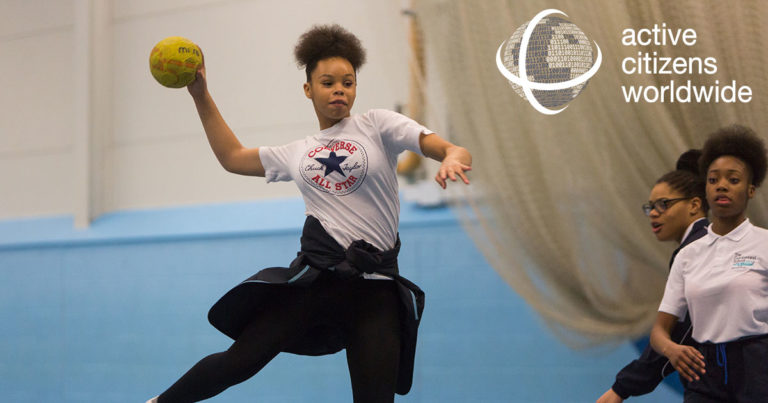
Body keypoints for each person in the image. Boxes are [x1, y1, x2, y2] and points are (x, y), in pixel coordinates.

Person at [147, 24, 471, 403]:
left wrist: (451, 158)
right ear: (308, 89)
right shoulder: (298, 150)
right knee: (241, 359)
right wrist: (200, 94)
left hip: (376, 291)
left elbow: (452, 149)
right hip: (316, 282)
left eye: (347, 83)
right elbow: (232, 158)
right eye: (328, 82)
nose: (339, 89)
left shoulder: (377, 125)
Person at [650, 125, 768, 402]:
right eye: (713, 180)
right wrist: (672, 350)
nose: (722, 185)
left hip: (757, 371)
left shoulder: (764, 243)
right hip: (704, 374)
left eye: (733, 179)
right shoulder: (688, 254)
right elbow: (659, 331)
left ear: (751, 190)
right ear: (705, 190)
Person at [596, 150, 709, 403]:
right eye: (651, 207)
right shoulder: (697, 247)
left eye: (663, 205)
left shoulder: (699, 249)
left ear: (694, 204)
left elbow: (680, 330)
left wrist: (620, 390)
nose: (654, 214)